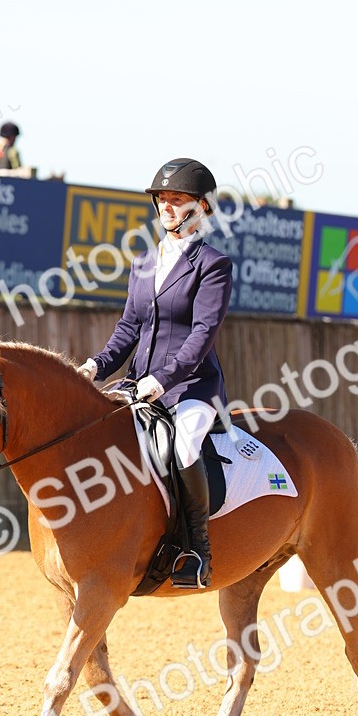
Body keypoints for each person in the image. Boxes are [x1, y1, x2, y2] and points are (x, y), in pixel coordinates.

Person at [78, 157, 232, 590]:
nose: (166, 206)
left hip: (191, 387)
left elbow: (202, 333)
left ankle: (198, 551)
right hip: (138, 383)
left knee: (183, 447)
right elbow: (129, 327)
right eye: (162, 198)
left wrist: (164, 378)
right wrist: (96, 366)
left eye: (176, 198)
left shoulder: (213, 265)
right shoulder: (144, 262)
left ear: (200, 207)